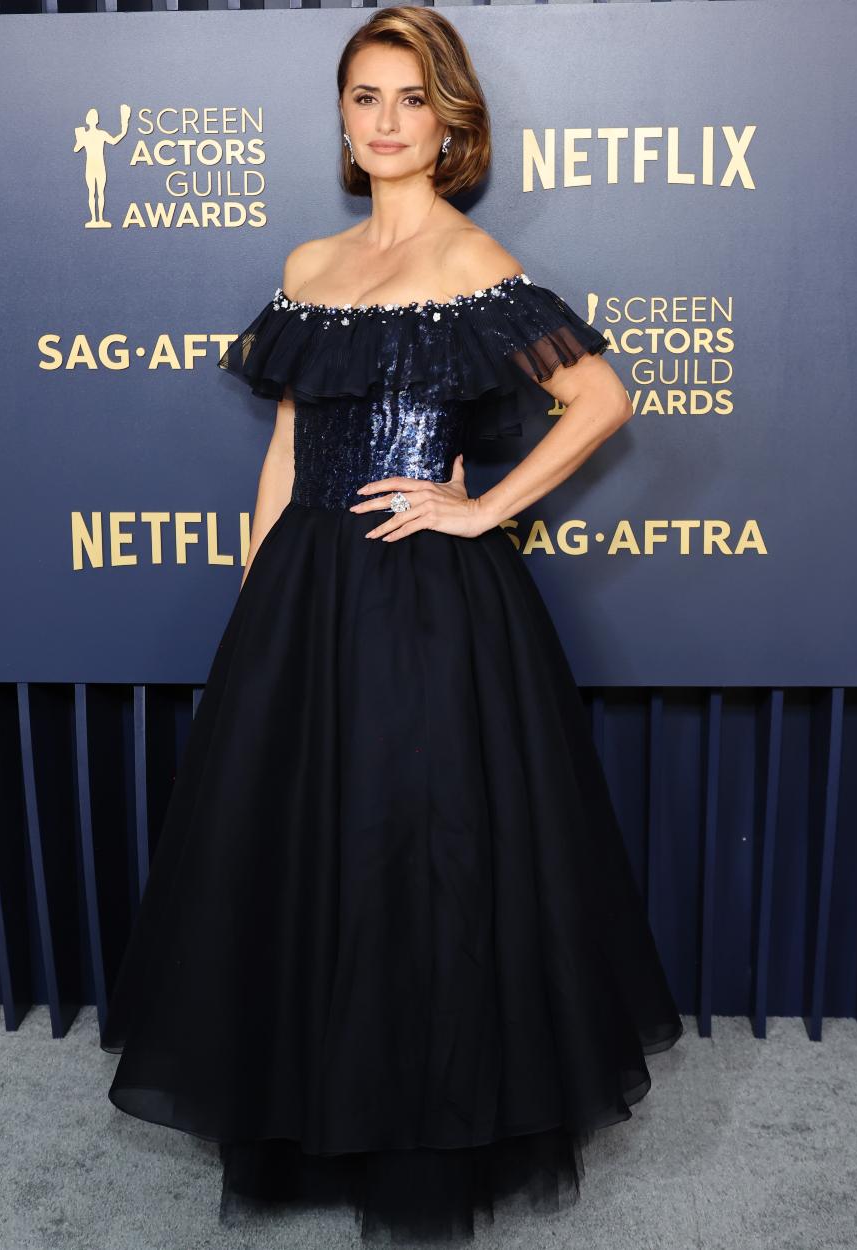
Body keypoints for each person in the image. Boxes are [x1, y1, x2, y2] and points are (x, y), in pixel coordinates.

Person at [100, 6, 683, 1243]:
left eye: (410, 98)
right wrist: (259, 588)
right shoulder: (311, 264)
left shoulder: (474, 263)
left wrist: (483, 515)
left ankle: (421, 1127)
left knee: (415, 856)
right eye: (365, 98)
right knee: (298, 844)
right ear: (344, 120)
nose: (386, 121)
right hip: (306, 595)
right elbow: (288, 441)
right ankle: (309, 1107)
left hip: (424, 602)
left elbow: (600, 396)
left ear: (451, 119)